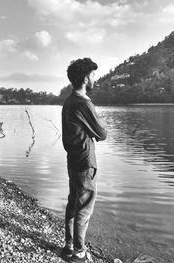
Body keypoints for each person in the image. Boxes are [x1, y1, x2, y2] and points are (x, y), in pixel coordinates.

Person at [61, 58, 107, 262]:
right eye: (94, 75)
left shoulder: (69, 101)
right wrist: (94, 129)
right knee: (84, 207)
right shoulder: (84, 103)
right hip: (85, 162)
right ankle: (79, 252)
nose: (95, 78)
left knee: (73, 203)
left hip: (72, 160)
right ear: (87, 77)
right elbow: (102, 133)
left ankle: (68, 246)